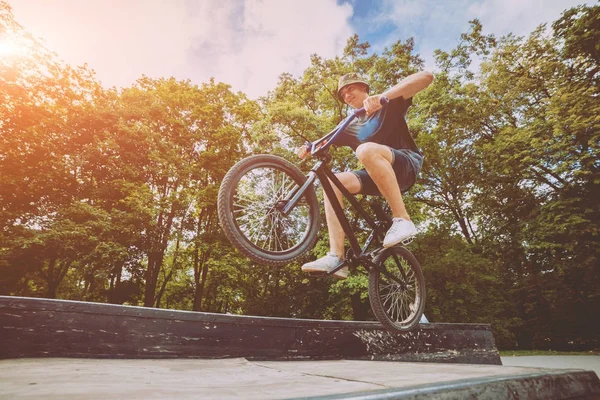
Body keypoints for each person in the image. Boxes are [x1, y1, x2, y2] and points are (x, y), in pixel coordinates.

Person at [297, 71, 434, 280]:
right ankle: (336, 257)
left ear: (364, 87)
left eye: (350, 89)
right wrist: (310, 146)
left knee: (365, 150)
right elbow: (325, 140)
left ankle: (402, 219)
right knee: (332, 183)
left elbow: (426, 77)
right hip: (378, 174)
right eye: (343, 94)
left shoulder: (389, 102)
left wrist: (383, 97)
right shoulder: (350, 124)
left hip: (405, 164)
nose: (347, 95)